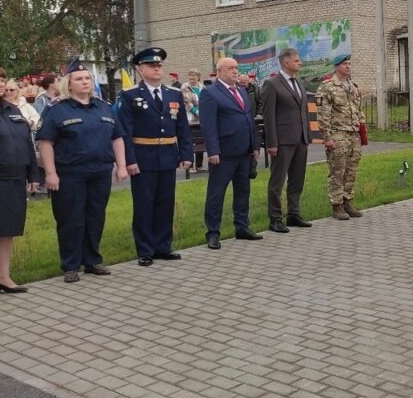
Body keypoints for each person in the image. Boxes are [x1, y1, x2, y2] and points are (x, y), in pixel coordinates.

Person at [36, 59, 128, 283]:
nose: (85, 82)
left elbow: (117, 137)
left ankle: (92, 260)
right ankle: (71, 264)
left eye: (88, 78)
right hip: (69, 173)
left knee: (95, 216)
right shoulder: (57, 109)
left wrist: (122, 165)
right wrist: (50, 173)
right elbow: (45, 142)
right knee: (71, 219)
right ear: (69, 83)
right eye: (79, 79)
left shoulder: (103, 106)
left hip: (100, 171)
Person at [118, 47, 193, 267]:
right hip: (143, 157)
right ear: (141, 69)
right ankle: (145, 250)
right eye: (152, 65)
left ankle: (163, 246)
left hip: (168, 156)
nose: (157, 69)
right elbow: (125, 132)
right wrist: (130, 160)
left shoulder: (173, 93)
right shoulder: (130, 95)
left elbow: (182, 127)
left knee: (165, 203)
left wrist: (186, 153)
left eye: (159, 65)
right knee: (144, 205)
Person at [0, 65, 40, 302]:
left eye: (3, 80)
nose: (1, 84)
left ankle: (3, 277)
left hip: (14, 180)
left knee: (7, 231)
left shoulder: (13, 110)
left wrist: (34, 175)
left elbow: (27, 145)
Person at [199, 57, 261, 249]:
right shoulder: (210, 93)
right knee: (216, 194)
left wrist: (255, 146)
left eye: (236, 68)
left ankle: (242, 227)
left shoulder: (241, 91)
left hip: (244, 151)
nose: (235, 71)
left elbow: (249, 119)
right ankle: (213, 232)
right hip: (224, 153)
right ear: (219, 72)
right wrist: (213, 150)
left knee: (243, 191)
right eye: (230, 68)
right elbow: (208, 125)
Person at [261, 48, 313, 233]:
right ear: (286, 62)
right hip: (282, 141)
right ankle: (275, 218)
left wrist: (307, 134)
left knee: (297, 178)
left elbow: (304, 110)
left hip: (300, 139)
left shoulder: (298, 82)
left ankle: (293, 214)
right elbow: (269, 116)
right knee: (277, 181)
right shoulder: (272, 84)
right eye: (297, 60)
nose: (300, 63)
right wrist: (272, 143)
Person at [316, 55, 366, 220]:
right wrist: (328, 137)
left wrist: (362, 128)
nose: (348, 66)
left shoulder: (352, 86)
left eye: (350, 64)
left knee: (352, 170)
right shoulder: (328, 87)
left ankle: (347, 201)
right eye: (345, 64)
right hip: (338, 134)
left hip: (353, 134)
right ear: (337, 66)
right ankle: (336, 205)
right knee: (337, 170)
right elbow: (324, 115)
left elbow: (358, 110)